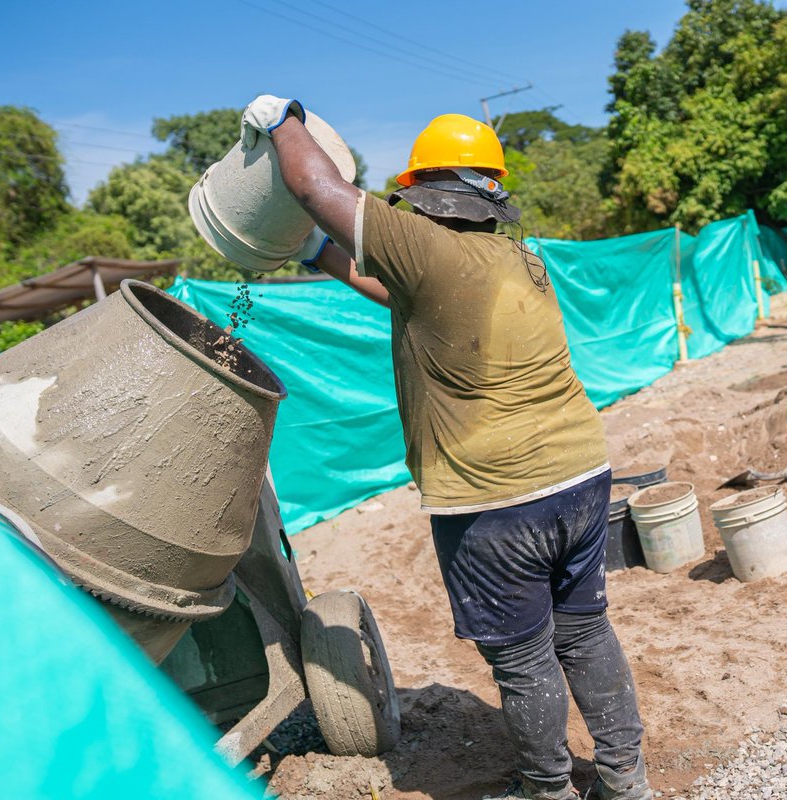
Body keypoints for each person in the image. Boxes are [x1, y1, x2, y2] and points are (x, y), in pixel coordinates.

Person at [241, 95, 651, 800]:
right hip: (581, 475)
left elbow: (315, 186)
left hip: (497, 503)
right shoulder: (516, 257)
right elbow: (400, 290)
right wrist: (325, 256)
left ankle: (548, 791)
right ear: (491, 192)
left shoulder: (423, 245)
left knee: (524, 663)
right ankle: (626, 781)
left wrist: (281, 121)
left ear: (425, 194)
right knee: (585, 635)